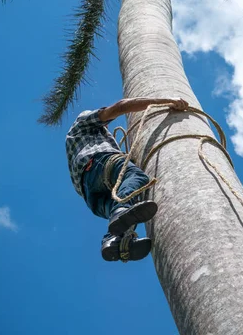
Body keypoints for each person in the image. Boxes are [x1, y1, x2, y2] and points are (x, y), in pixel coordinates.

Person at [66, 96, 189, 262]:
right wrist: (167, 101)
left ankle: (115, 241)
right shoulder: (83, 122)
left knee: (125, 213)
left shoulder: (75, 145)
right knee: (136, 178)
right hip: (97, 164)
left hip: (92, 197)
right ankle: (120, 212)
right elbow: (119, 107)